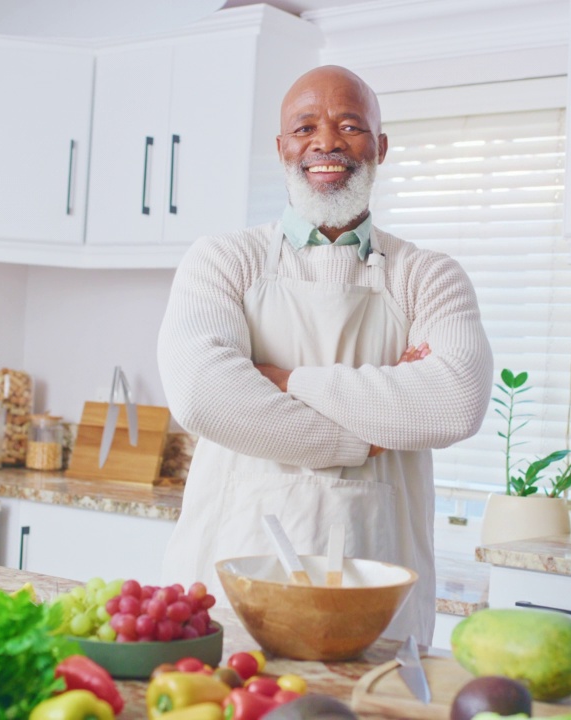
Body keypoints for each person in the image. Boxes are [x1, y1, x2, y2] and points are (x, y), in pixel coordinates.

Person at [157, 65, 492, 641]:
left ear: (380, 147)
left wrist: (284, 381)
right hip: (232, 573)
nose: (327, 142)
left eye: (350, 125)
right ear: (283, 148)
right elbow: (205, 396)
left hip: (378, 577)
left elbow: (455, 403)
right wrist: (364, 438)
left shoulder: (430, 276)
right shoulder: (221, 261)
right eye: (305, 126)